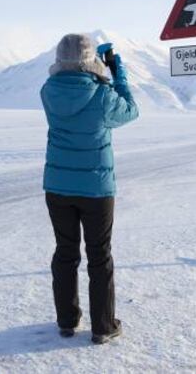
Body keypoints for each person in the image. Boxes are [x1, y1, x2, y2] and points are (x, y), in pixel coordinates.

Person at [40, 33, 139, 344]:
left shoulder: (48, 91)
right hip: (96, 189)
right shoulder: (102, 95)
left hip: (57, 188)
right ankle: (103, 326)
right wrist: (115, 70)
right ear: (90, 61)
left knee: (65, 252)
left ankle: (67, 321)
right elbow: (130, 110)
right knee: (99, 256)